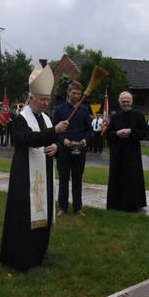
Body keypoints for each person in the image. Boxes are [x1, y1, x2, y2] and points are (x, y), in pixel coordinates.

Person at [0, 61, 69, 271]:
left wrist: (56, 146)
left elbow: (51, 140)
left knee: (44, 211)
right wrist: (54, 133)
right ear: (31, 98)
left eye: (48, 99)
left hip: (44, 174)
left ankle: (40, 250)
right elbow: (29, 138)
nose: (45, 102)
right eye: (41, 99)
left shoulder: (47, 119)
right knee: (24, 213)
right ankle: (22, 254)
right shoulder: (20, 119)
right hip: (24, 174)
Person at [52, 81, 92, 216]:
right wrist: (63, 140)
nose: (76, 96)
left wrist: (85, 139)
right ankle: (62, 207)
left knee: (77, 179)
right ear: (68, 93)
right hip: (64, 150)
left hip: (79, 149)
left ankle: (78, 207)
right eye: (74, 93)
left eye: (79, 94)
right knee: (63, 179)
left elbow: (88, 129)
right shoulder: (59, 109)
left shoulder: (84, 110)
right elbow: (54, 130)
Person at [105, 92, 149, 212]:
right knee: (117, 177)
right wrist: (117, 133)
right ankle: (116, 204)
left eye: (127, 101)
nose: (125, 103)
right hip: (117, 153)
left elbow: (144, 132)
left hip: (132, 153)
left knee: (132, 178)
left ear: (131, 102)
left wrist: (130, 131)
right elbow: (107, 134)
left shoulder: (139, 116)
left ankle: (133, 204)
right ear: (119, 102)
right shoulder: (115, 117)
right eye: (123, 101)